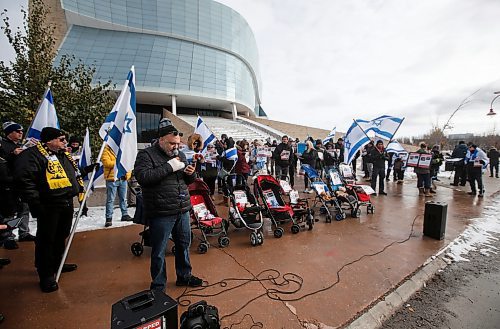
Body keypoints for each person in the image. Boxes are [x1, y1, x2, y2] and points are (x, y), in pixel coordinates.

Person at [134, 118, 202, 292]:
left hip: (182, 207)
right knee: (159, 250)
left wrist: (191, 173)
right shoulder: (146, 155)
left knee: (183, 244)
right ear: (161, 140)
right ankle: (158, 285)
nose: (176, 147)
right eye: (172, 143)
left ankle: (184, 276)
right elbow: (143, 177)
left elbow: (188, 181)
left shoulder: (180, 154)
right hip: (161, 211)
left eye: (178, 143)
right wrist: (168, 167)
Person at [15, 127, 83, 292]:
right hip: (48, 205)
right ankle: (45, 274)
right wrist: (36, 203)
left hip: (66, 202)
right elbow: (25, 181)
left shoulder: (62, 155)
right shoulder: (32, 155)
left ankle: (57, 264)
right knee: (47, 240)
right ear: (49, 141)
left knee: (61, 235)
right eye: (61, 139)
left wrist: (87, 171)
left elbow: (70, 175)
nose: (65, 143)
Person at [0, 121, 34, 248]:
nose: (21, 133)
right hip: (8, 184)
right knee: (9, 212)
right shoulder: (2, 145)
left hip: (22, 182)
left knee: (24, 209)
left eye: (21, 131)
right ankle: (8, 235)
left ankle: (24, 232)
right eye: (17, 131)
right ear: (10, 133)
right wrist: (12, 155)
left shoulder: (21, 145)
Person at [102, 145, 132, 227]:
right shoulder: (106, 149)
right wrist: (119, 163)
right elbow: (106, 163)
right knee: (110, 199)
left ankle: (125, 214)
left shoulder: (123, 149)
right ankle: (108, 218)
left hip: (122, 178)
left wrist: (127, 175)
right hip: (112, 179)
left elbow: (128, 164)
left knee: (123, 198)